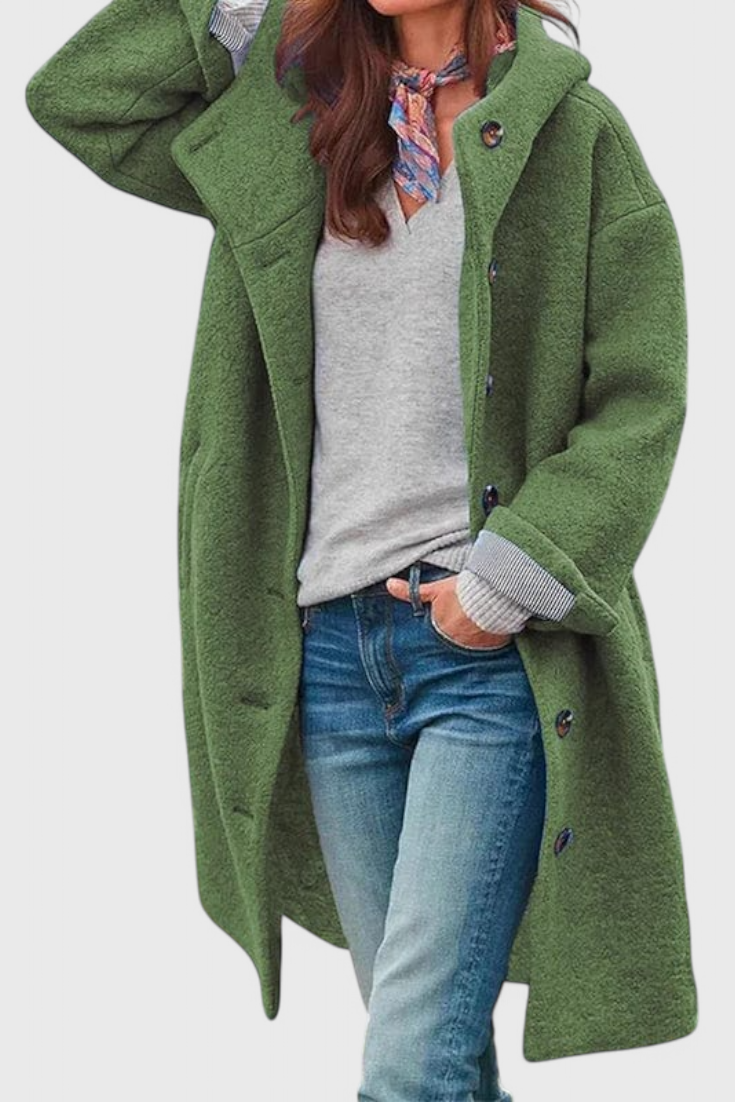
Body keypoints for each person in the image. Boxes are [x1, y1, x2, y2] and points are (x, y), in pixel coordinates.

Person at [25, 1, 698, 1097]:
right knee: (431, 1050)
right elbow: (80, 98)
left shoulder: (573, 138)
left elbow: (639, 395)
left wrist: (505, 582)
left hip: (485, 652)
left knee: (407, 1064)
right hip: (330, 655)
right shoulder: (301, 124)